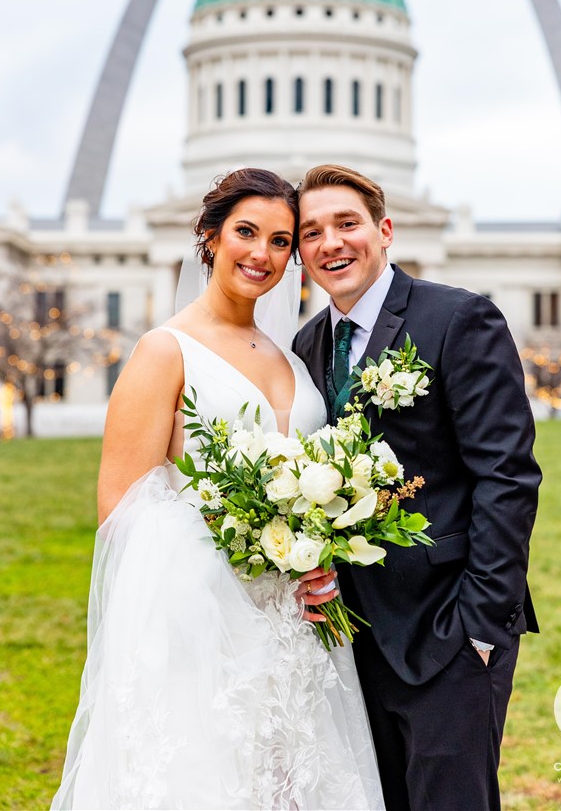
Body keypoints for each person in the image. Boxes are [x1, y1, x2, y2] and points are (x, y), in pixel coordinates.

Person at [52, 169, 384, 811]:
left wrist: (317, 549)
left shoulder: (294, 357)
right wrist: (241, 544)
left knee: (300, 780)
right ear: (208, 236)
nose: (262, 254)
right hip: (204, 620)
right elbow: (121, 514)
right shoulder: (163, 351)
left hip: (302, 624)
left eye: (282, 241)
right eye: (246, 233)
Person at [293, 164, 542, 811]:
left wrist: (478, 628)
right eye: (311, 232)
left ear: (384, 229)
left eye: (346, 224)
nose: (331, 243)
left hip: (448, 629)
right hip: (353, 637)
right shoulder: (307, 345)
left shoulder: (458, 319)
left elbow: (506, 476)